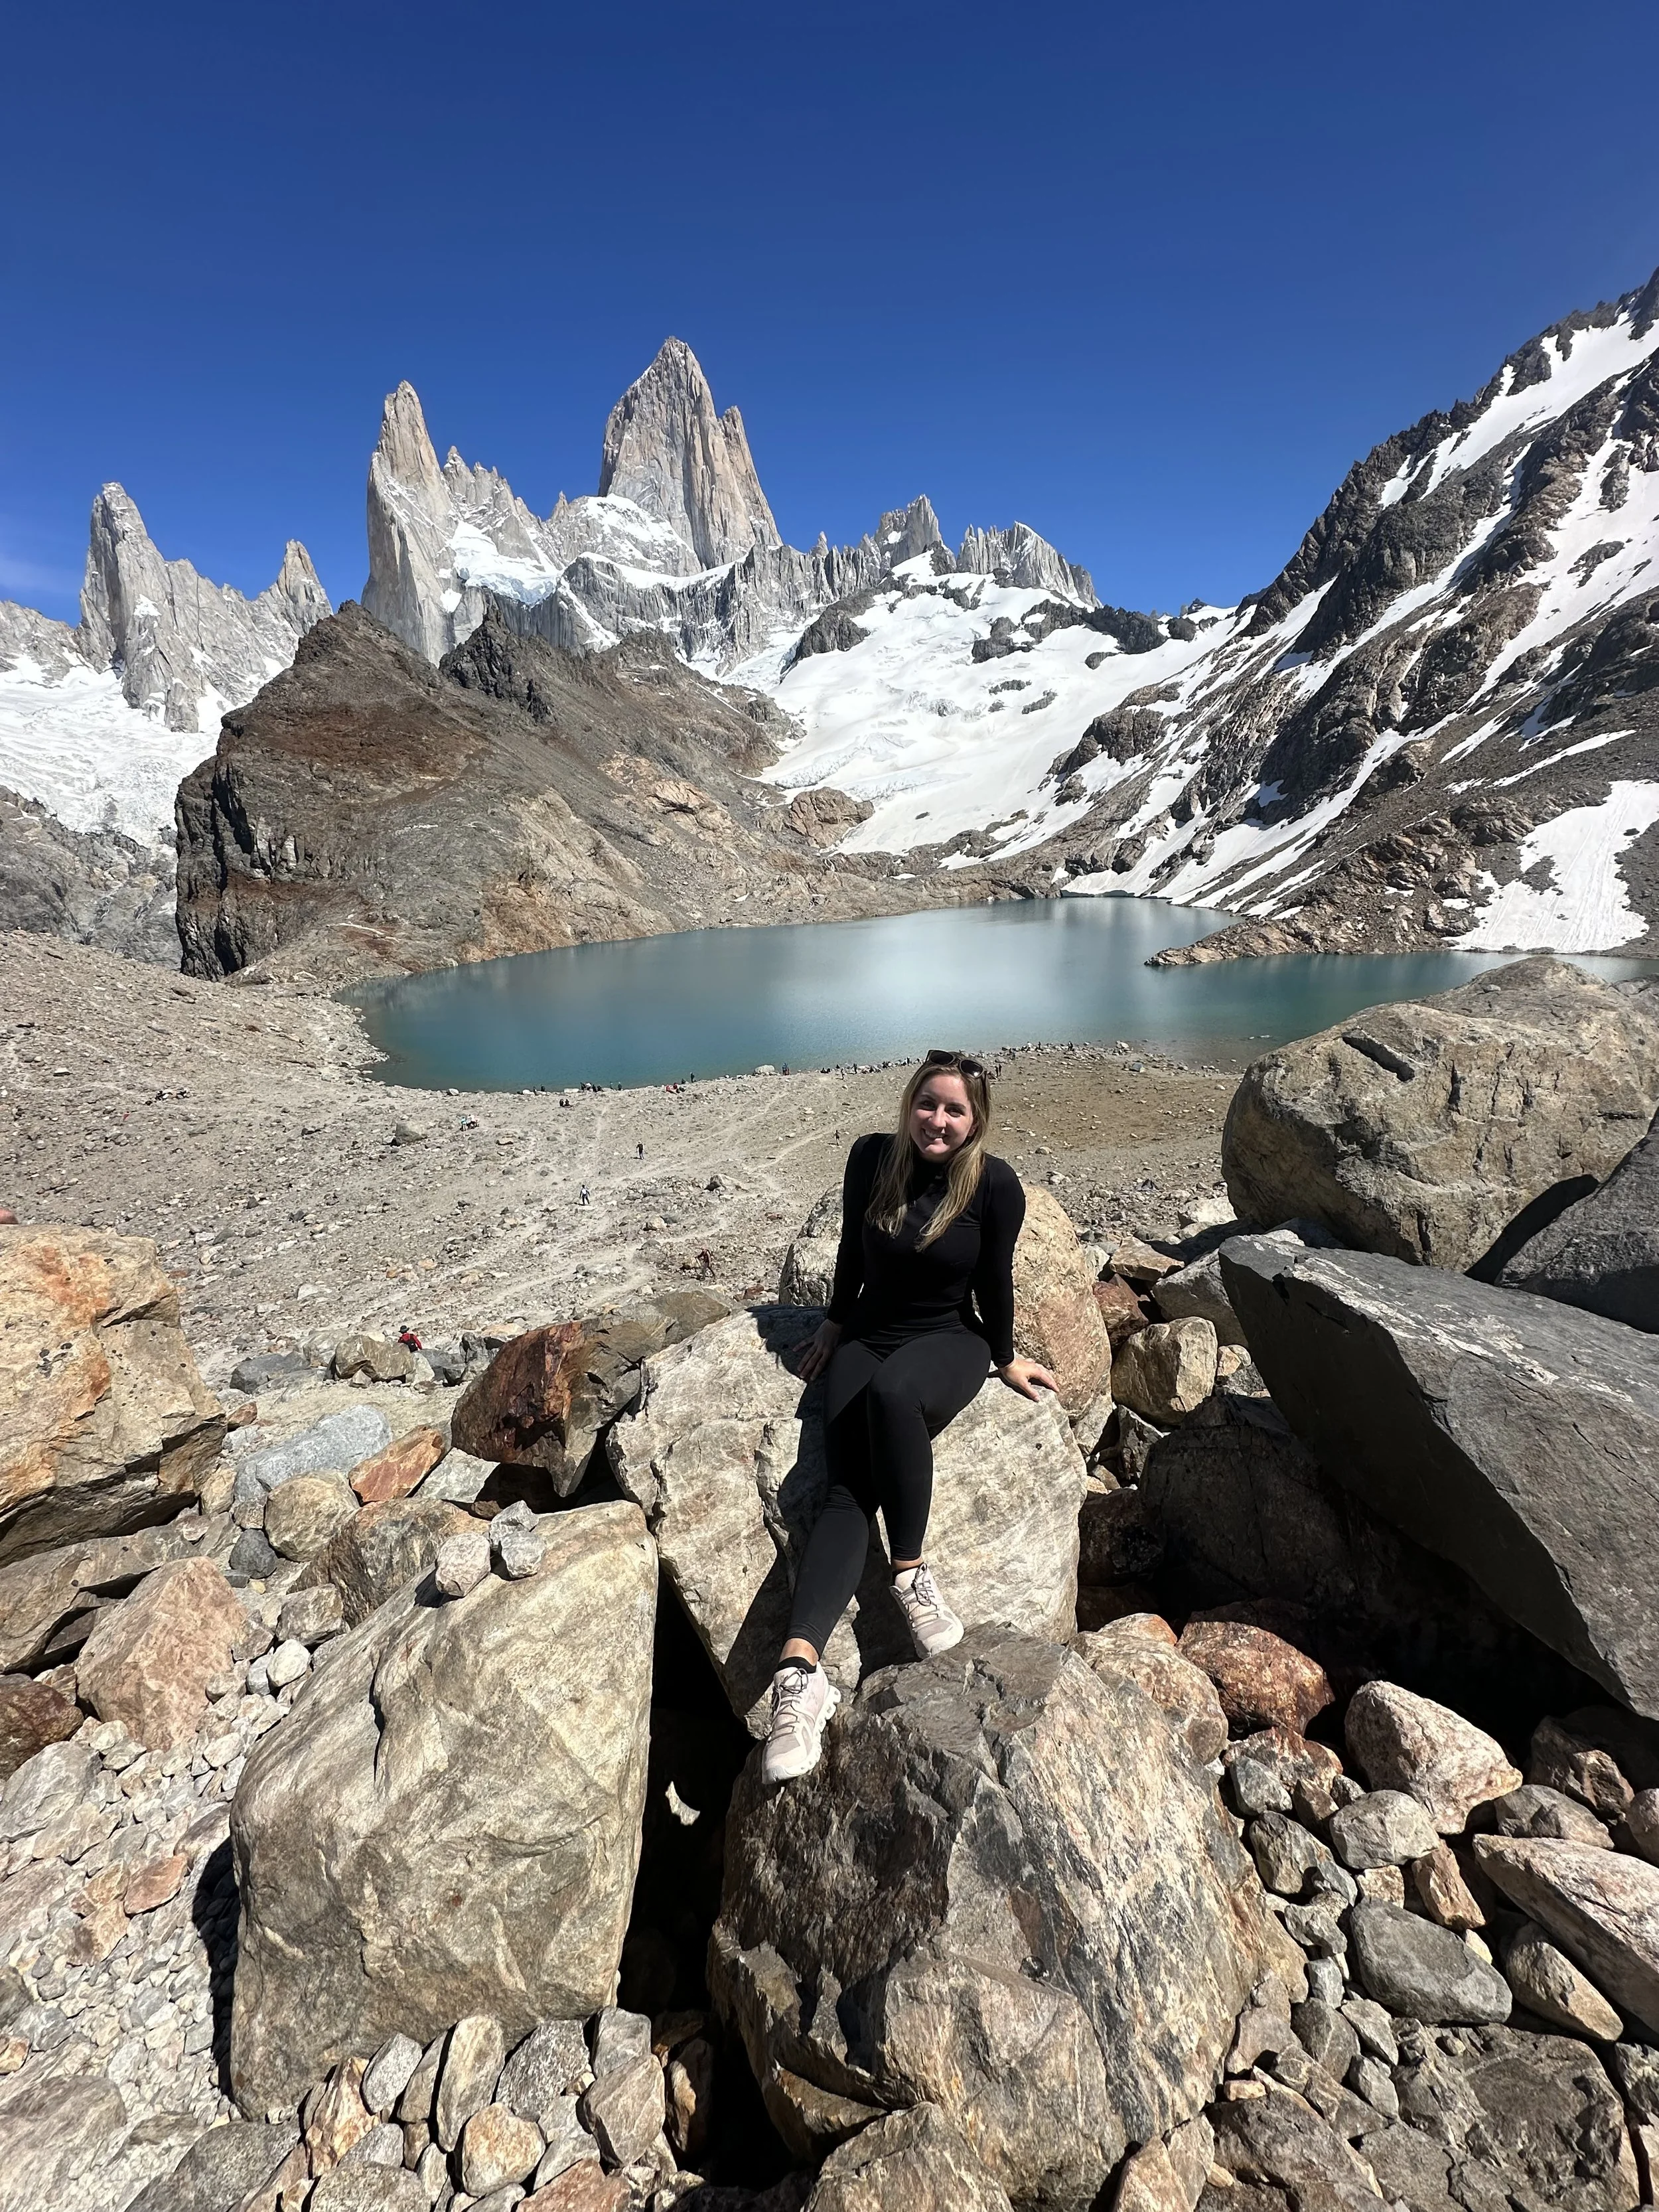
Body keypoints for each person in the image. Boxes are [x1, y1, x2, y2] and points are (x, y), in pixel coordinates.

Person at [762, 1049, 1056, 1785]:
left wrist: (1005, 1356)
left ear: (975, 1120)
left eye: (955, 1109)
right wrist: (833, 1323)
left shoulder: (993, 1185)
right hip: (868, 1333)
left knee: (895, 1396)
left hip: (949, 1339)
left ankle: (910, 1573)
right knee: (842, 1490)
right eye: (929, 1103)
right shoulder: (871, 1159)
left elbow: (994, 1281)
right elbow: (849, 1253)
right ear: (909, 1103)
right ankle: (799, 1679)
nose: (938, 1119)